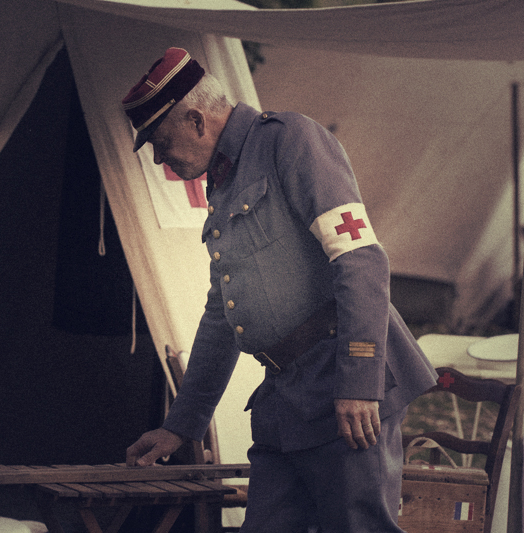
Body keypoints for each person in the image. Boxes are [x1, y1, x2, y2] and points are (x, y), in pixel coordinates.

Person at [122, 47, 437, 532]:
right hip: (284, 404)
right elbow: (220, 316)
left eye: (162, 142)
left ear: (196, 119)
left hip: (342, 396)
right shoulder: (223, 184)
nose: (161, 158)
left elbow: (361, 261)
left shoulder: (290, 141)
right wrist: (180, 424)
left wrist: (357, 384)